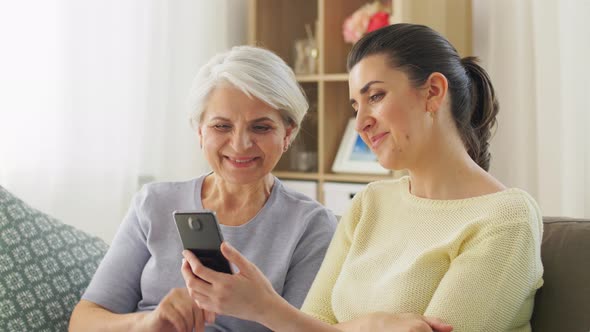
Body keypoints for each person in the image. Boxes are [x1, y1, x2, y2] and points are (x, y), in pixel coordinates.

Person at [181, 23, 544, 332]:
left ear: (433, 92)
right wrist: (374, 325)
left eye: (376, 96)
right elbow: (313, 322)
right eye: (357, 105)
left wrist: (268, 310)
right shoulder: (371, 202)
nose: (361, 122)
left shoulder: (505, 219)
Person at [69, 45, 338, 332]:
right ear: (200, 131)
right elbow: (84, 321)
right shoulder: (154, 203)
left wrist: (261, 307)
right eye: (222, 126)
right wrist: (147, 323)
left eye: (261, 128)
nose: (240, 145)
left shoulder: (311, 225)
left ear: (288, 133)